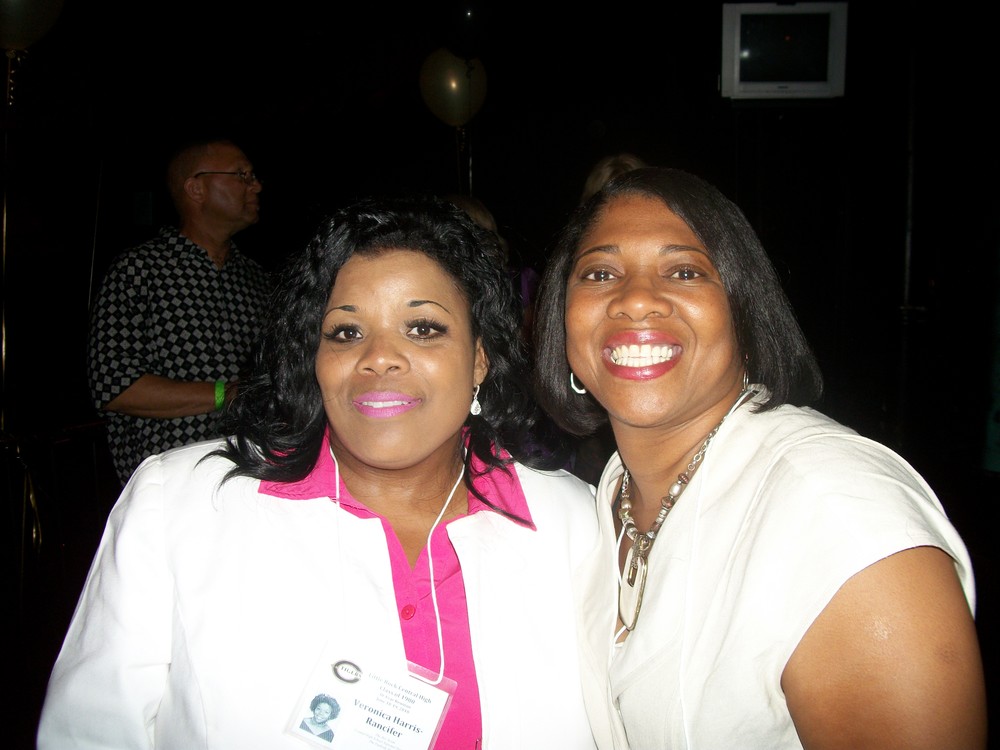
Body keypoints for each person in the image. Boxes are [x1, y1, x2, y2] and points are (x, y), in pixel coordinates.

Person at [38, 194, 607, 749]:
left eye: (423, 328)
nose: (378, 356)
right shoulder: (180, 507)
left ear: (479, 357)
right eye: (346, 332)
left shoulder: (577, 521)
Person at [532, 166, 987, 749]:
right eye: (600, 273)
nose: (636, 298)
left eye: (684, 271)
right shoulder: (615, 492)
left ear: (744, 313)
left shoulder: (838, 514)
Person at [86, 135, 272, 486]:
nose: (256, 185)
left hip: (253, 474)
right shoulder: (138, 270)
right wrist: (227, 393)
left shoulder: (257, 279)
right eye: (242, 175)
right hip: (170, 482)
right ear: (196, 188)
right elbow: (116, 388)